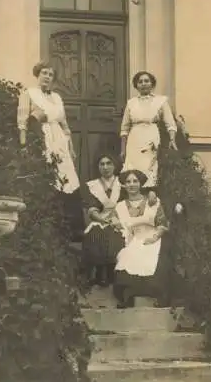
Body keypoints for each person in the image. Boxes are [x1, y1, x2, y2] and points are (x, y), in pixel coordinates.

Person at [17, 61, 83, 238]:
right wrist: (24, 145)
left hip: (60, 140)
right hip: (41, 138)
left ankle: (67, 228)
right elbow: (23, 123)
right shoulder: (29, 94)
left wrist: (71, 147)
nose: (47, 77)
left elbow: (65, 125)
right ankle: (46, 225)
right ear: (37, 75)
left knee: (66, 178)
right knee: (47, 176)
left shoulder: (57, 97)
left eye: (50, 74)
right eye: (44, 73)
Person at [112, 170, 171, 308]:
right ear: (124, 185)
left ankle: (155, 293)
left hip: (152, 236)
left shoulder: (153, 202)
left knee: (152, 258)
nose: (131, 184)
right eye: (128, 182)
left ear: (141, 184)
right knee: (127, 256)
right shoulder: (120, 206)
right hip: (132, 239)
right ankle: (129, 294)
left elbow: (162, 224)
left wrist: (155, 237)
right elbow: (118, 226)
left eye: (135, 181)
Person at [120, 71, 178, 191]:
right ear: (136, 85)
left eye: (146, 81)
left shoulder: (161, 101)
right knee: (133, 168)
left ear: (152, 84)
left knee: (149, 168)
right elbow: (124, 128)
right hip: (134, 139)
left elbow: (170, 123)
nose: (143, 84)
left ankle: (148, 196)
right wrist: (123, 149)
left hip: (151, 137)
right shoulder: (131, 103)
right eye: (140, 82)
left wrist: (172, 139)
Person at [81, 153, 126, 287]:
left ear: (115, 165)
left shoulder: (123, 183)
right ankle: (99, 272)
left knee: (116, 234)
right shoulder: (91, 186)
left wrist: (116, 220)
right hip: (99, 219)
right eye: (102, 164)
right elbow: (91, 207)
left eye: (109, 163)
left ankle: (113, 273)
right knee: (96, 232)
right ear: (98, 167)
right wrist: (101, 219)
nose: (105, 167)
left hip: (120, 219)